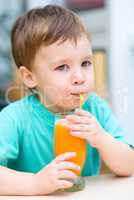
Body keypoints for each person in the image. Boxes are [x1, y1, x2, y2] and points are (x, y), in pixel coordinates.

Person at [0, 5, 133, 196]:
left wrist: (102, 139)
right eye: (62, 67)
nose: (79, 76)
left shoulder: (96, 110)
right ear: (29, 77)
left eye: (86, 63)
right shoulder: (15, 118)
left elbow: (129, 166)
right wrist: (36, 183)